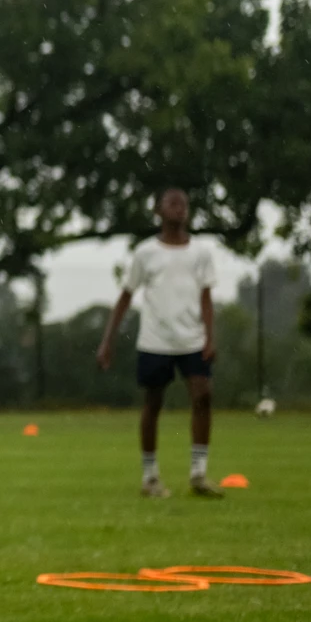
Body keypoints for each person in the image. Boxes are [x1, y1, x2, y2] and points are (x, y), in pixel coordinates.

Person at [96, 187, 225, 498]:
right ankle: (150, 477)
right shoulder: (145, 253)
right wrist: (107, 340)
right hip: (155, 341)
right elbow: (126, 296)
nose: (179, 209)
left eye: (184, 204)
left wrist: (210, 336)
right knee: (153, 404)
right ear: (158, 211)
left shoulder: (201, 253)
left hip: (192, 339)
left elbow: (207, 298)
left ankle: (198, 474)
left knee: (203, 396)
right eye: (172, 203)